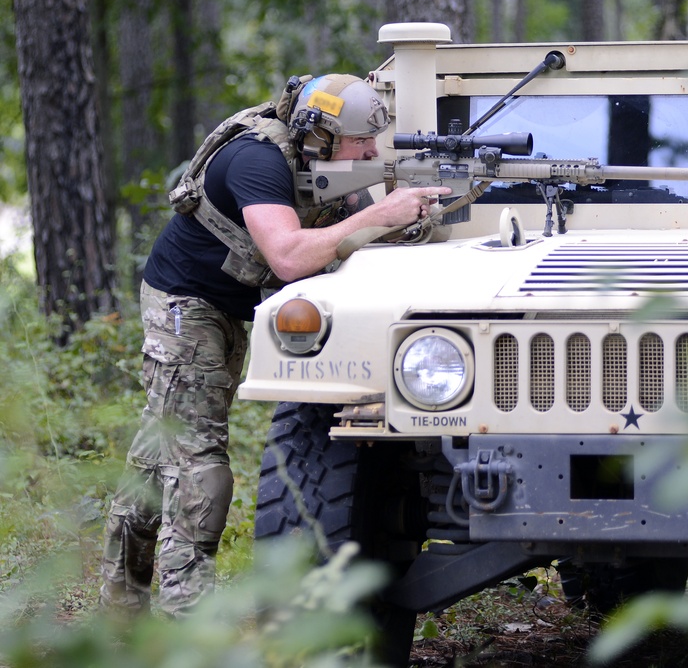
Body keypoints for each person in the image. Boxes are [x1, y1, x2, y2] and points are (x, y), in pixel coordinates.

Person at [98, 74, 449, 617]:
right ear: (323, 138)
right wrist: (380, 214)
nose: (373, 152)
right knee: (200, 471)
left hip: (233, 308)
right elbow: (286, 256)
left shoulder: (323, 164)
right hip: (186, 304)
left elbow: (349, 236)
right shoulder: (257, 160)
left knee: (156, 457)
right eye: (362, 143)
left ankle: (120, 607)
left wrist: (407, 221)